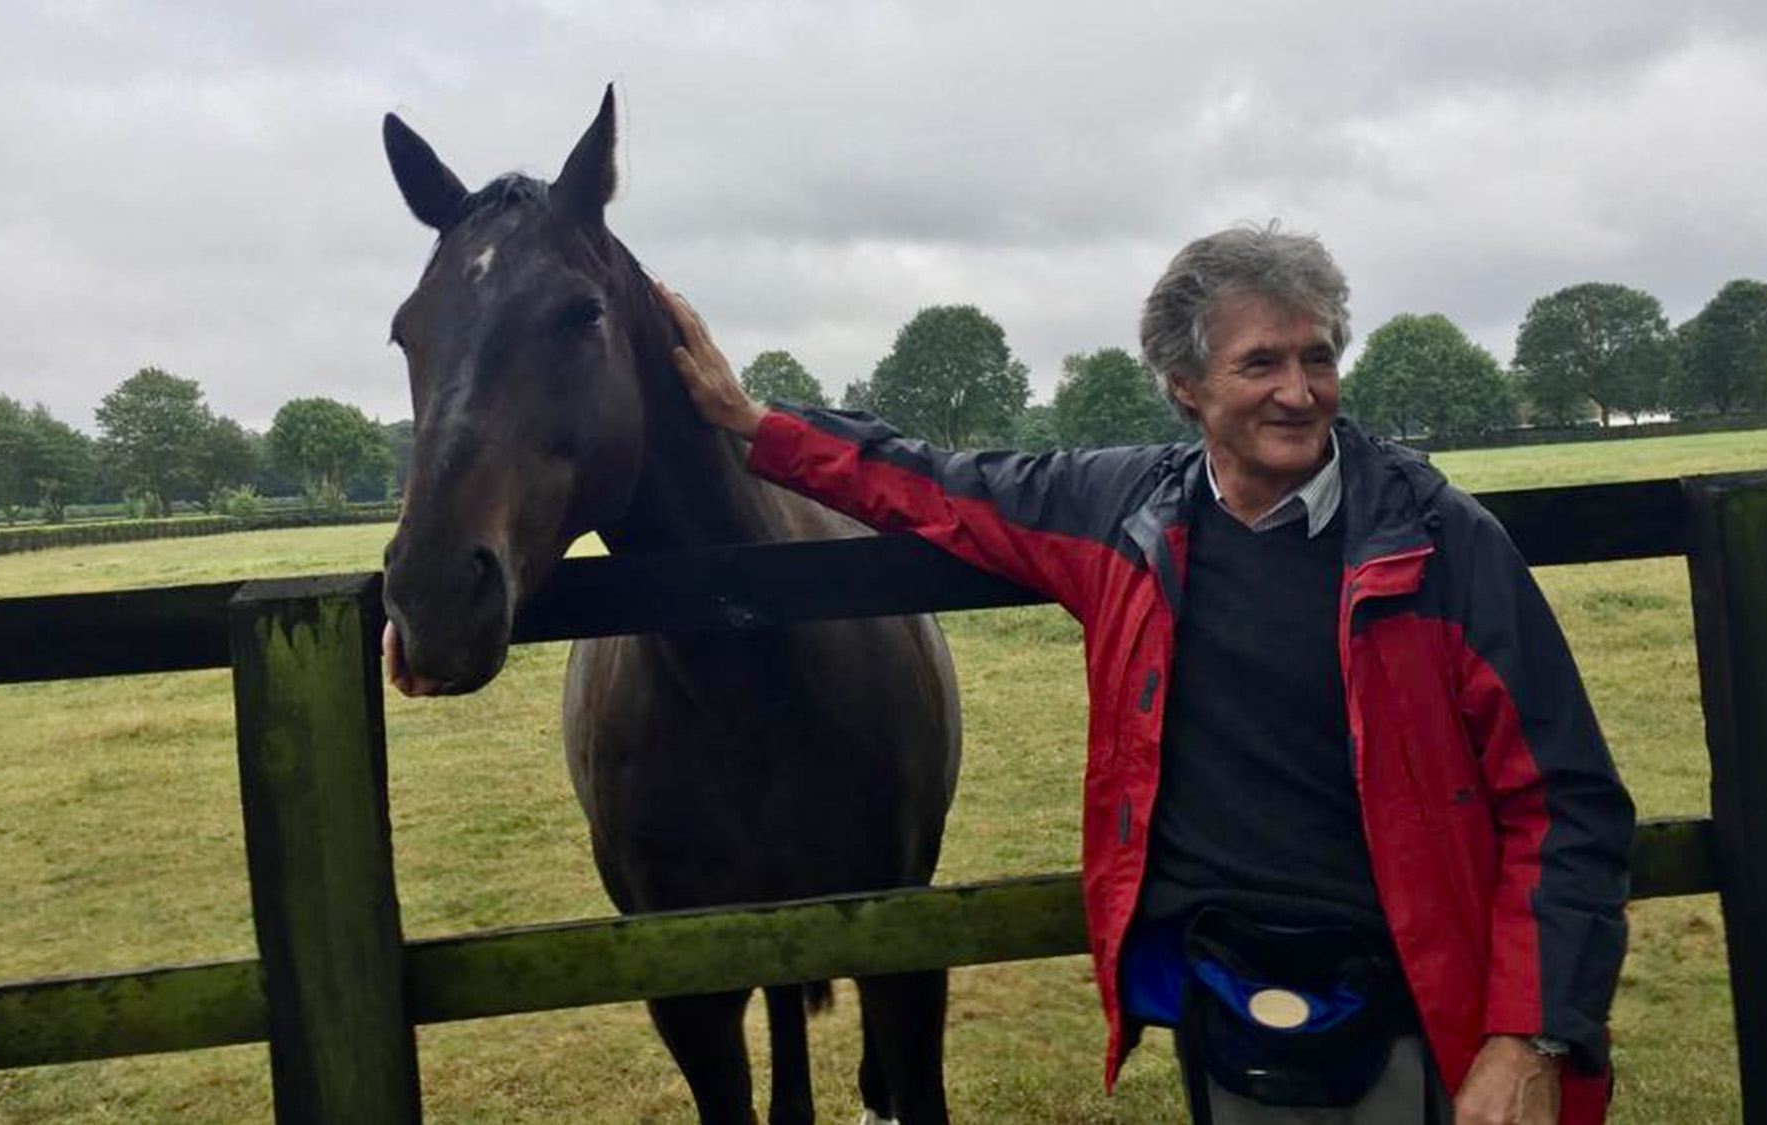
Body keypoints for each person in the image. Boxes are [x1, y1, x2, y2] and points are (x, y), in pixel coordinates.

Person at [656, 224, 1633, 1125]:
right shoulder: (1120, 514)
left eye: (1316, 358)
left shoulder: (1434, 543)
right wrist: (752, 423)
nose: (1297, 392)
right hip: (1225, 997)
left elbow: (1565, 801)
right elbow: (936, 487)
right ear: (1182, 384)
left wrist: (1528, 1038)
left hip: (1418, 1001)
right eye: (1260, 363)